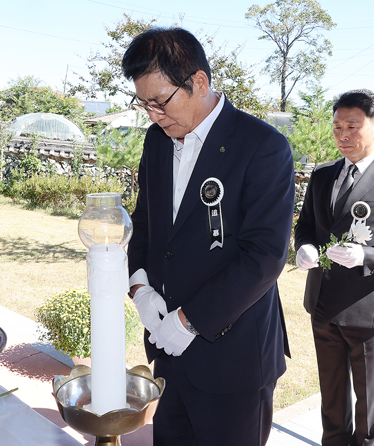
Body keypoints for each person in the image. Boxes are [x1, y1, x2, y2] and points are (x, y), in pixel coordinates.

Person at [123, 27, 294, 446]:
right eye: (143, 104)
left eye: (160, 102)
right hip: (167, 351)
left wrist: (188, 321)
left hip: (232, 358)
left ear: (198, 82)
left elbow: (264, 255)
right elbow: (145, 221)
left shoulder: (262, 146)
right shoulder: (157, 141)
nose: (153, 115)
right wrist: (140, 285)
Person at [293, 89, 374, 446]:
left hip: (369, 310)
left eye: (353, 126)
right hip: (322, 304)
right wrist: (303, 246)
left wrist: (366, 256)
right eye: (337, 127)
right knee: (331, 398)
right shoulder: (322, 175)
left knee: (368, 403)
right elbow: (305, 225)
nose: (343, 136)